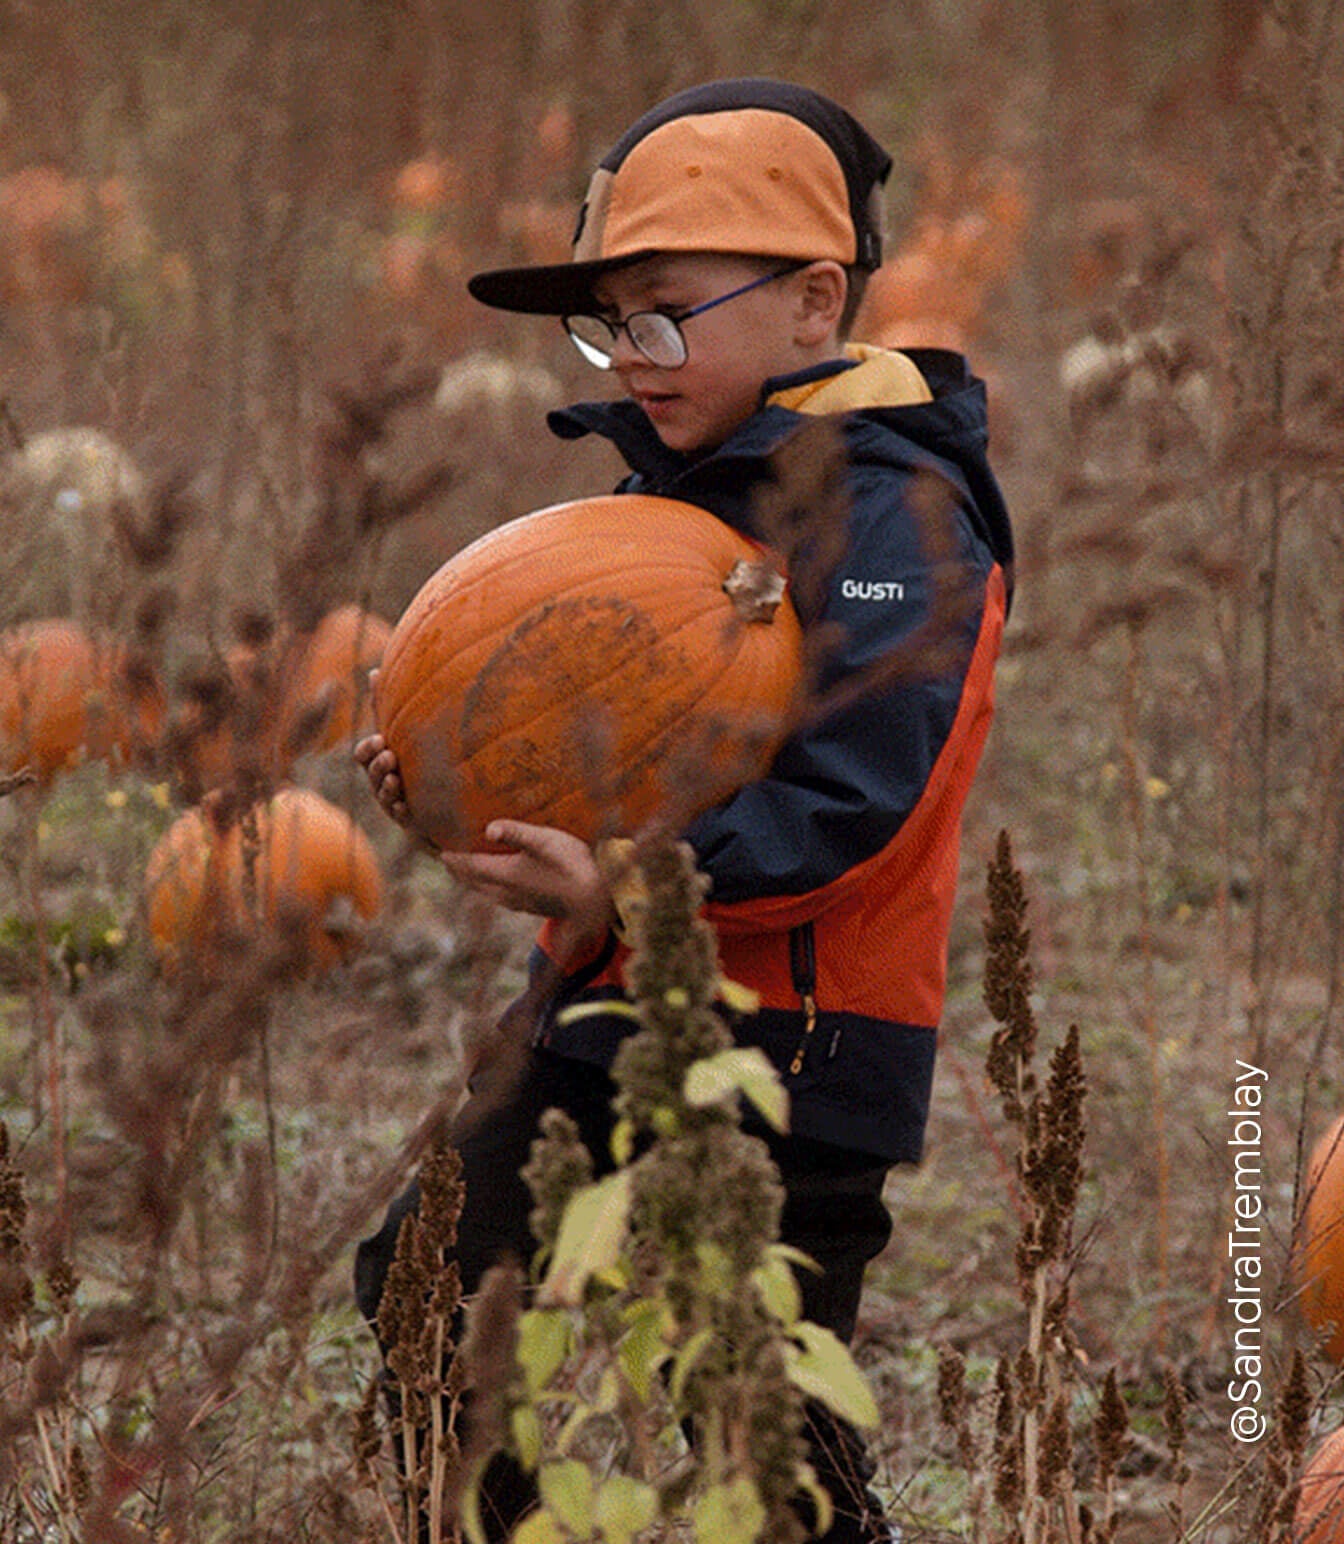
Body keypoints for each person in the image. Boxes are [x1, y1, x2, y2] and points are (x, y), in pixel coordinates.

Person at [354, 76, 1014, 1543]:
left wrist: (635, 888)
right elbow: (599, 734)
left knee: (756, 1423)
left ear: (814, 298)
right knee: (430, 1295)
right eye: (608, 327)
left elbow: (865, 800)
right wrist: (451, 777)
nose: (631, 360)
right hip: (602, 1003)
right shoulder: (678, 493)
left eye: (663, 317)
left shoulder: (901, 516)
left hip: (799, 1046)